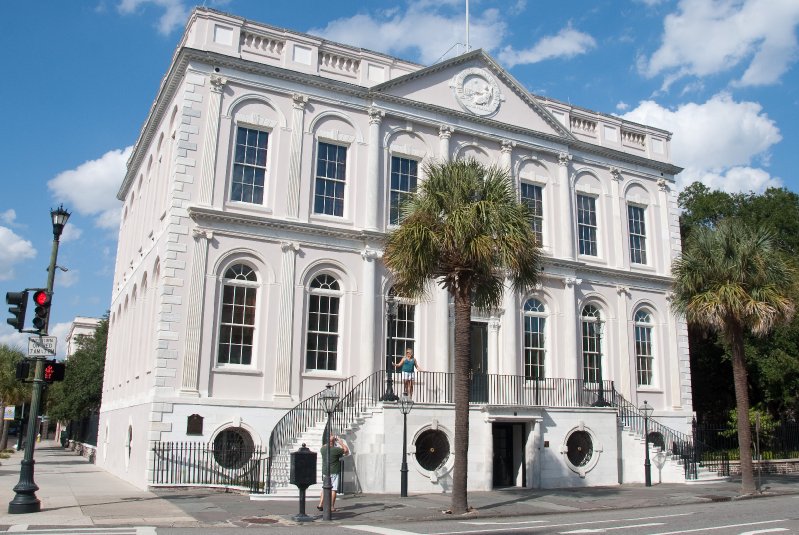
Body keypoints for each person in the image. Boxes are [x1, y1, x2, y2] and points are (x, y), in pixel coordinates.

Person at [317, 434, 349, 512]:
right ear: (334, 441)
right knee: (333, 489)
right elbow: (346, 451)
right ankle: (331, 506)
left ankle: (320, 504)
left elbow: (325, 445)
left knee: (324, 488)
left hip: (325, 471)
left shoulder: (323, 449)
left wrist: (330, 440)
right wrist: (341, 442)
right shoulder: (336, 450)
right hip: (334, 471)